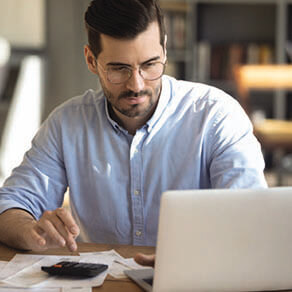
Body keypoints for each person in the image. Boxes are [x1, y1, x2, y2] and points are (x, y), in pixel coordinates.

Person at [0, 0, 267, 262]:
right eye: (119, 69)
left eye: (149, 65)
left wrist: (187, 259)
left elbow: (251, 215)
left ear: (164, 50)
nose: (136, 85)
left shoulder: (216, 116)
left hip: (196, 280)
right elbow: (9, 204)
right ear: (91, 60)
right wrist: (29, 229)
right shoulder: (66, 124)